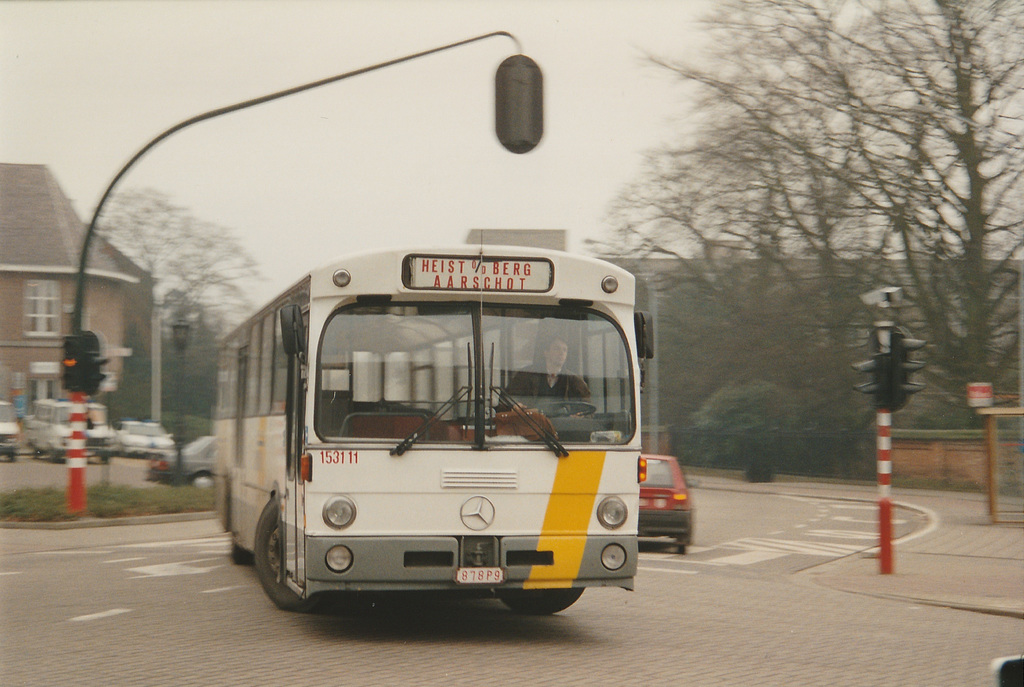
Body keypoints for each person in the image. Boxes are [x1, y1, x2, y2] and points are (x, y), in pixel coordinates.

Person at [505, 335, 590, 406]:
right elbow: (506, 400)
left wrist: (580, 415)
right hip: (533, 424)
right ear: (546, 352)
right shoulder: (526, 375)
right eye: (557, 349)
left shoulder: (575, 380)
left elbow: (587, 408)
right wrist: (515, 406)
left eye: (565, 350)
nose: (561, 353)